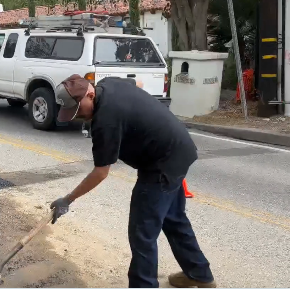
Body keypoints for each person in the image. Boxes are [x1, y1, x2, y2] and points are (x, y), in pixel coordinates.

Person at [49, 74, 216, 288]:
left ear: (90, 93)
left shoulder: (105, 121)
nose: (78, 116)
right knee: (174, 219)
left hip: (161, 165)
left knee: (142, 233)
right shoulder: (109, 83)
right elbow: (138, 84)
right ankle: (199, 274)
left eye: (79, 110)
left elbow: (100, 173)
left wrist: (67, 199)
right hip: (179, 149)